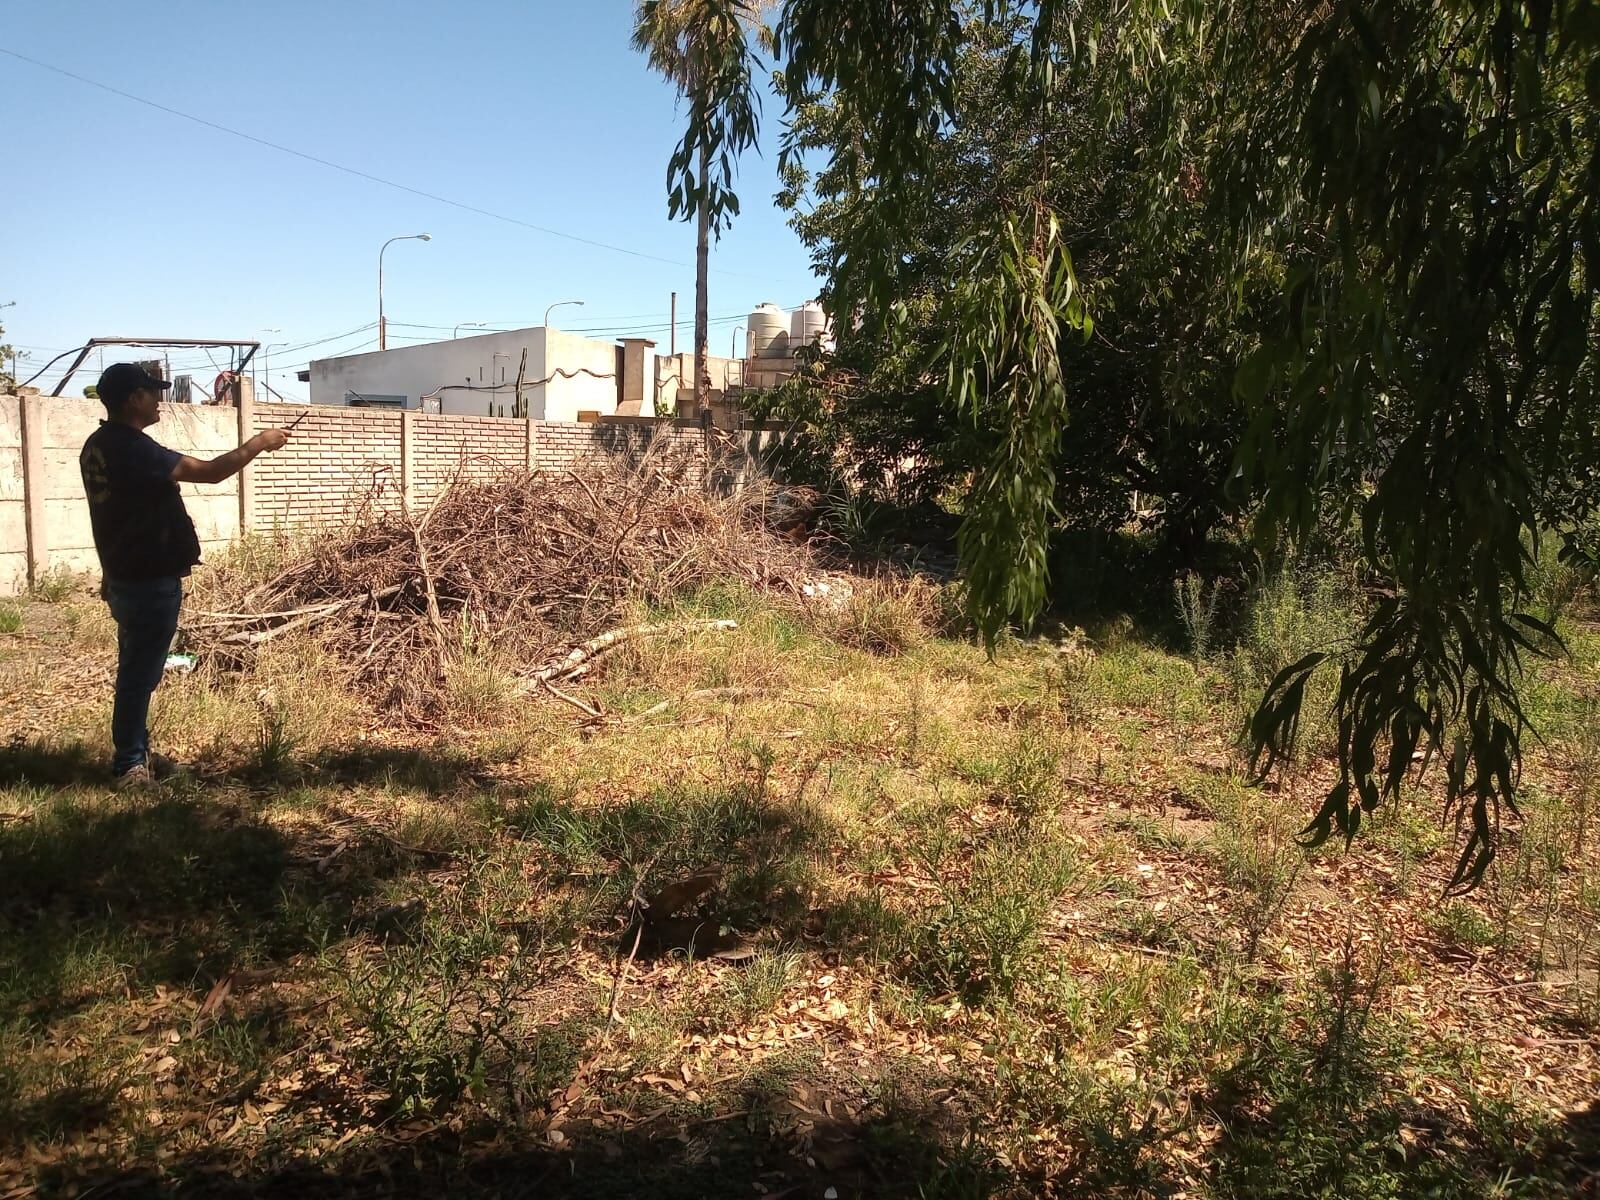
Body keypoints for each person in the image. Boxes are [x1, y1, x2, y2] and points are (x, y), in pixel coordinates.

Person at [79, 363, 292, 788]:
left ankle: (137, 750)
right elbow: (211, 472)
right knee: (140, 674)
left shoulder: (97, 445)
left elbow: (107, 516)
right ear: (132, 400)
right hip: (146, 579)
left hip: (125, 576)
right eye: (150, 393)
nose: (159, 400)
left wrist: (107, 572)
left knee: (138, 669)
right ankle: (129, 765)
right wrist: (259, 443)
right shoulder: (133, 448)